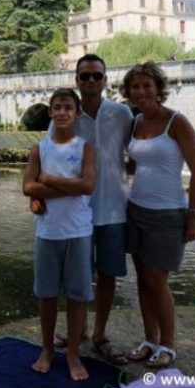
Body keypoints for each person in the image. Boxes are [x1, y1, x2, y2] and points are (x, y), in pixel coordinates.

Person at [49, 54, 133, 365]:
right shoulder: (65, 115)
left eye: (97, 76)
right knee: (78, 275)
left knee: (108, 274)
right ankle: (79, 329)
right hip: (75, 210)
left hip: (113, 209)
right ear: (77, 80)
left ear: (105, 80)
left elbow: (135, 151)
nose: (91, 82)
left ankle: (99, 334)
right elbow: (48, 157)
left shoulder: (121, 113)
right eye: (85, 77)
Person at [120, 61, 195, 368]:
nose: (141, 92)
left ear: (158, 89)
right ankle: (149, 339)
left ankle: (168, 344)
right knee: (142, 280)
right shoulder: (135, 121)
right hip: (136, 209)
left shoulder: (176, 122)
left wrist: (192, 216)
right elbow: (135, 165)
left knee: (157, 280)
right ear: (128, 92)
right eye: (135, 87)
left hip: (169, 212)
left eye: (147, 86)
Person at [23, 88, 96, 381]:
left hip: (78, 231)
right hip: (48, 232)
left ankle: (74, 354)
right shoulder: (39, 149)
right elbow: (28, 187)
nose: (63, 112)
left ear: (77, 113)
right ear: (50, 113)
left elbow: (88, 185)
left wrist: (47, 180)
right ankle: (47, 349)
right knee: (47, 295)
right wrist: (65, 185)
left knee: (78, 296)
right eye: (57, 108)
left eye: (68, 107)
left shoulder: (86, 148)